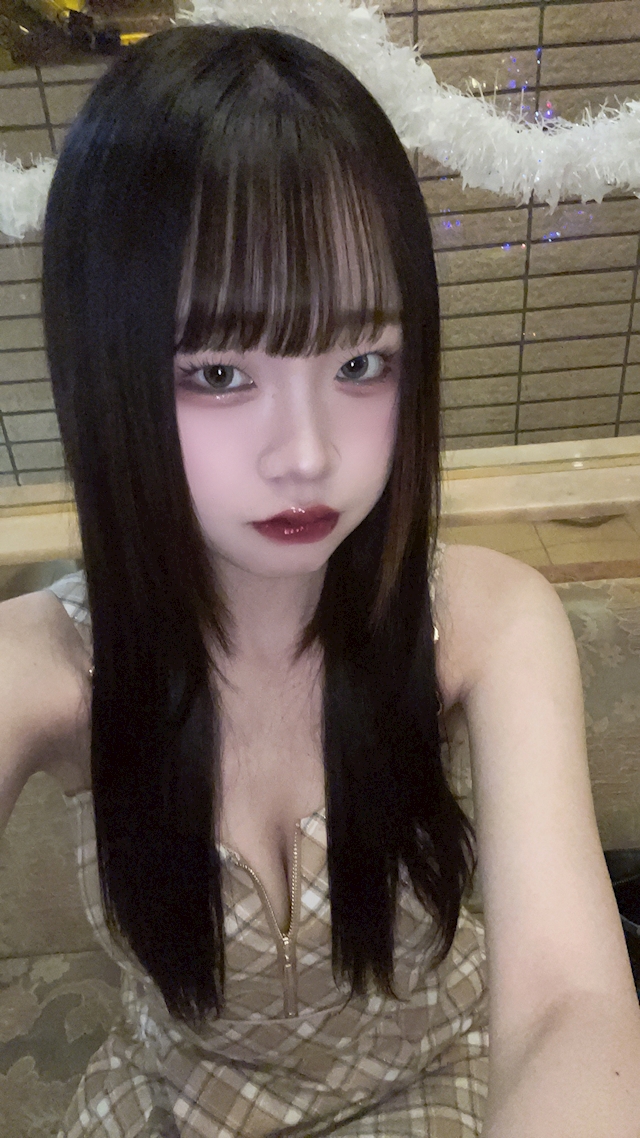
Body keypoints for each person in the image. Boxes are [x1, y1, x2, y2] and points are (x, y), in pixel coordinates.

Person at [1, 21, 639, 1138]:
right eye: (218, 371)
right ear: (106, 369)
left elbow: (568, 1003)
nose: (306, 453)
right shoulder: (41, 667)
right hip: (179, 1107)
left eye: (358, 362)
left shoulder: (486, 621)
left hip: (435, 1087)